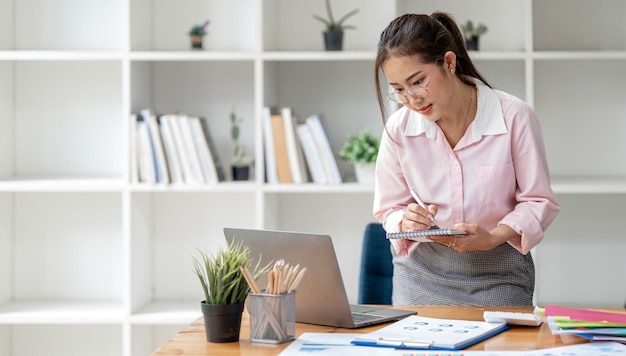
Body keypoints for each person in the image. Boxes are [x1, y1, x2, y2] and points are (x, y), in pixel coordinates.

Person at [372, 12, 560, 306]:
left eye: (418, 81)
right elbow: (388, 210)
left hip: (499, 274)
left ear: (448, 62)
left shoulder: (514, 117)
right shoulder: (399, 129)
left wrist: (494, 236)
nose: (412, 98)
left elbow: (538, 201)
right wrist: (405, 220)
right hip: (421, 274)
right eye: (398, 90)